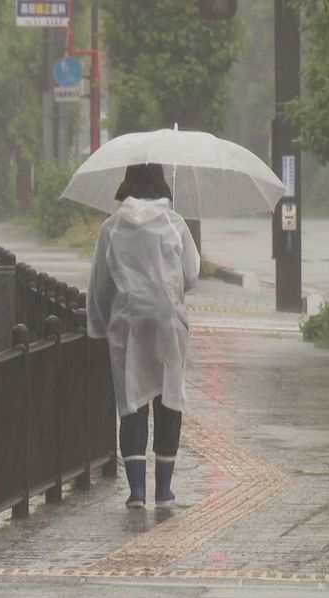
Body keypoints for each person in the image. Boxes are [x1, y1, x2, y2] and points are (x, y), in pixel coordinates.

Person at [86, 163, 200, 508]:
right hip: (168, 322)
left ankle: (136, 492)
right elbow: (192, 273)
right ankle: (164, 489)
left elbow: (99, 285)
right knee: (169, 401)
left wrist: (100, 324)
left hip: (127, 323)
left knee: (131, 404)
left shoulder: (112, 227)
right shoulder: (175, 223)